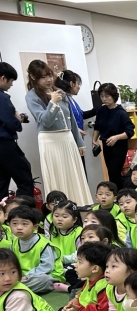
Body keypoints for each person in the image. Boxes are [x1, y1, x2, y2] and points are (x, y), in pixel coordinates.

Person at [24, 59, 91, 205]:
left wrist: (80, 142)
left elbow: (71, 120)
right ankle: (60, 209)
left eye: (49, 75)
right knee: (57, 176)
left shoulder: (59, 92)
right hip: (50, 140)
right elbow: (45, 121)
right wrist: (52, 103)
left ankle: (79, 207)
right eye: (43, 77)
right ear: (33, 77)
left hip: (67, 139)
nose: (48, 80)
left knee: (74, 175)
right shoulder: (32, 96)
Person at [57, 243, 112, 311]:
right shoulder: (88, 280)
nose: (75, 265)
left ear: (94, 269)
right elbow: (81, 295)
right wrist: (72, 304)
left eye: (80, 262)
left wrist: (78, 310)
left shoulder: (104, 285)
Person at [8, 206, 64, 294]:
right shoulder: (14, 243)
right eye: (14, 223)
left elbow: (47, 266)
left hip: (46, 275)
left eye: (24, 224)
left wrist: (27, 276)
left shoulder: (43, 244)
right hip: (22, 277)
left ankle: (13, 289)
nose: (19, 227)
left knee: (44, 280)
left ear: (35, 227)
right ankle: (16, 288)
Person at [0, 62, 34, 199]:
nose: (12, 85)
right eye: (11, 81)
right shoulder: (1, 97)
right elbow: (11, 123)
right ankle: (23, 210)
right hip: (4, 143)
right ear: (3, 78)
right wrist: (18, 120)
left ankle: (3, 211)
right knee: (24, 177)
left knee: (2, 181)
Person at [54, 70, 95, 174]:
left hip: (78, 140)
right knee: (76, 171)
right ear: (71, 83)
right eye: (78, 84)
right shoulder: (61, 99)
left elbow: (81, 115)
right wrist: (74, 129)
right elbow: (62, 120)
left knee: (81, 170)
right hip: (70, 140)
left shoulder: (70, 99)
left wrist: (98, 109)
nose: (79, 87)